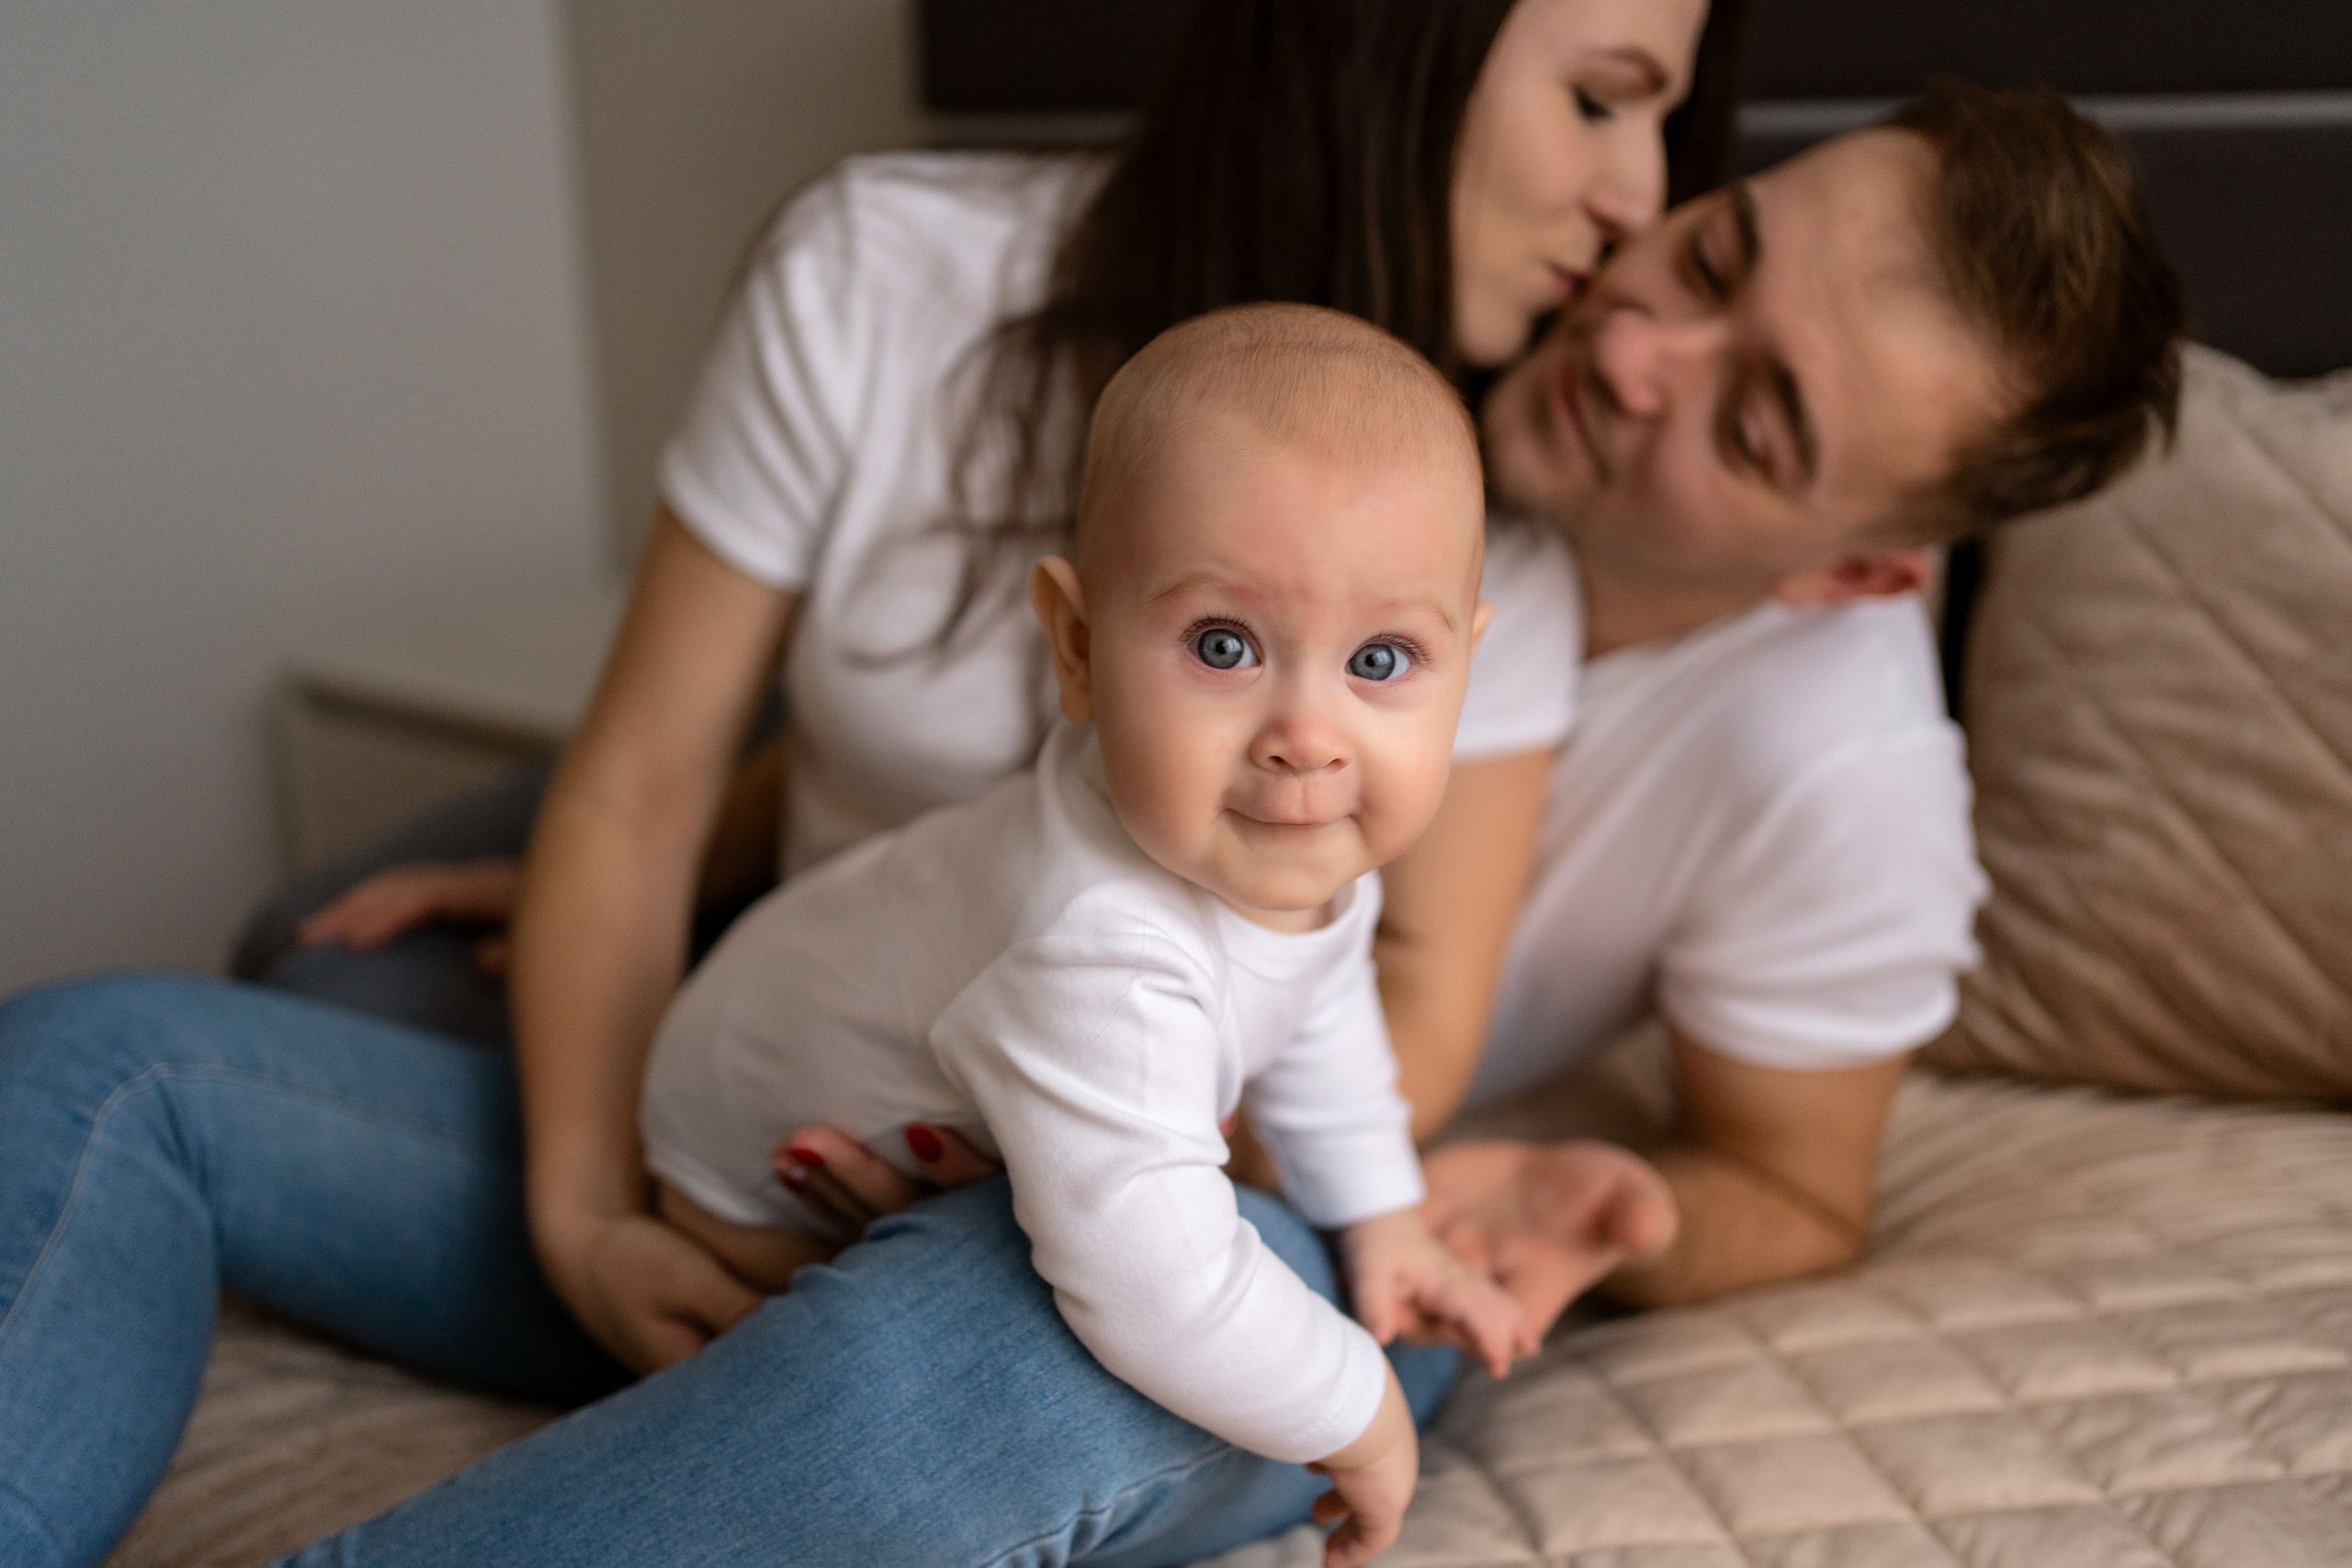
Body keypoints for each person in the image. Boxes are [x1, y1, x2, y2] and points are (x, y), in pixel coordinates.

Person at [0, 47, 2183, 1568]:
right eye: (1705, 249)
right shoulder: (1358, 431)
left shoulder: (1720, 690)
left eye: (1764, 417)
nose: (1628, 320)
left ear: (1860, 563)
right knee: (214, 995)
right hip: (926, 1038)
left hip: (1174, 1177)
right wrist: (675, 871)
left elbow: (1450, 1052)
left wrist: (1509, 1203)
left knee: (1070, 1311)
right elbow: (1017, 794)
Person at [642, 306, 1536, 1567]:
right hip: (739, 1186)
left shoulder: (1305, 854)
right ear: (1077, 646)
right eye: (1224, 647)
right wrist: (1359, 1405)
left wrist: (1384, 1213)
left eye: (1383, 659)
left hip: (790, 1028)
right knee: (1044, 1320)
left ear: (1467, 662)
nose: (1309, 733)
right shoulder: (1100, 944)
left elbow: (1320, 1023)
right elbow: (1158, 1283)